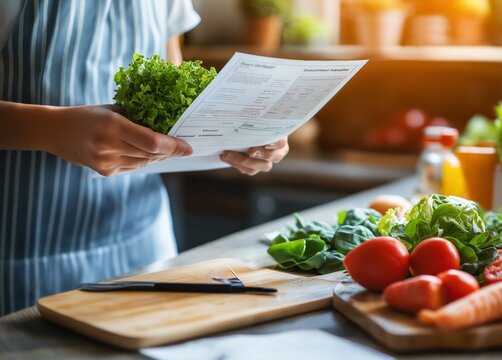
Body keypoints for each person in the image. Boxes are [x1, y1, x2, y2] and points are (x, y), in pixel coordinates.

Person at [0, 0, 289, 316]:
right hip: (22, 256)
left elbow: (174, 81)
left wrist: (244, 134)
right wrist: (49, 129)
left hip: (143, 242)